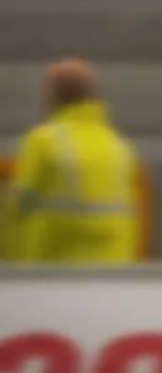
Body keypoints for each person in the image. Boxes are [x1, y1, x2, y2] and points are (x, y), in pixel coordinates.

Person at [1, 59, 140, 264]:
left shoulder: (43, 141)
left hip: (52, 262)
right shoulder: (119, 146)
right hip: (112, 265)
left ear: (53, 95)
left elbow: (19, 205)